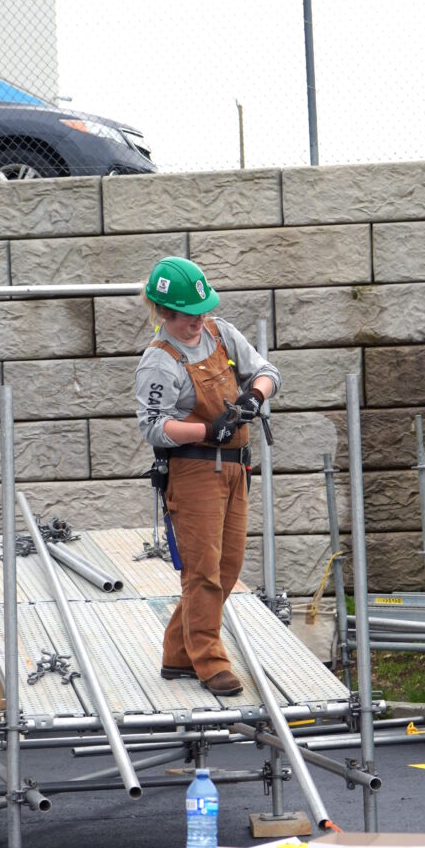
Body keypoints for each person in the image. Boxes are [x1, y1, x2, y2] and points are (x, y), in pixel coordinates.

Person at [135, 256, 281, 696]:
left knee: (229, 565)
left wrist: (255, 398)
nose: (196, 322)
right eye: (186, 316)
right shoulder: (159, 362)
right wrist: (205, 429)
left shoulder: (221, 333)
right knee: (203, 571)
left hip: (236, 468)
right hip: (195, 470)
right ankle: (210, 661)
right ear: (164, 313)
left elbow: (267, 372)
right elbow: (153, 426)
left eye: (200, 313)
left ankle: (178, 654)